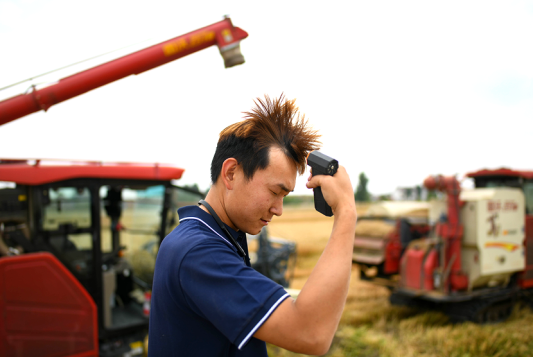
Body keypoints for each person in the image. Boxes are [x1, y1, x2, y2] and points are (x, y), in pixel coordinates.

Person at [148, 95, 357, 357]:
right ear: (231, 173)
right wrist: (346, 212)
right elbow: (310, 334)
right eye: (274, 191)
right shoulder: (200, 252)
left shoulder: (211, 235)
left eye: (284, 196)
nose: (278, 209)